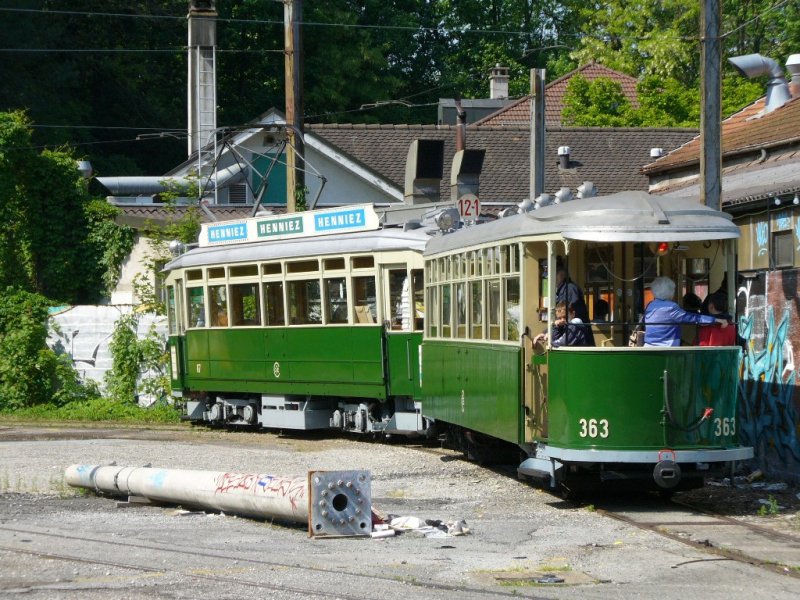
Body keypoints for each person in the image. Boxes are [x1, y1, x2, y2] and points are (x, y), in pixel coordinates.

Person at [643, 277, 727, 347]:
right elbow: (692, 318)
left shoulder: (650, 305)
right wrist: (715, 320)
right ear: (669, 292)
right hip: (667, 348)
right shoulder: (671, 307)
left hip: (648, 345)